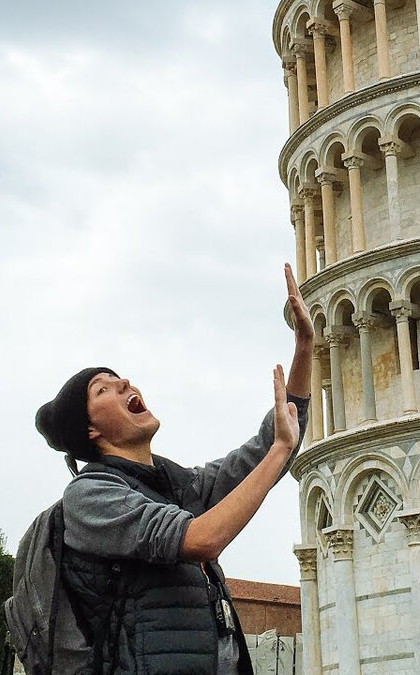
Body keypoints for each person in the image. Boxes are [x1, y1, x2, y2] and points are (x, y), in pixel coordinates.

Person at [34, 264, 313, 675]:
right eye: (103, 389)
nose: (124, 383)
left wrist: (305, 347)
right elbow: (202, 539)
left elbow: (265, 452)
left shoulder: (176, 485)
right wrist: (279, 450)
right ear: (90, 429)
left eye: (119, 378)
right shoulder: (90, 495)